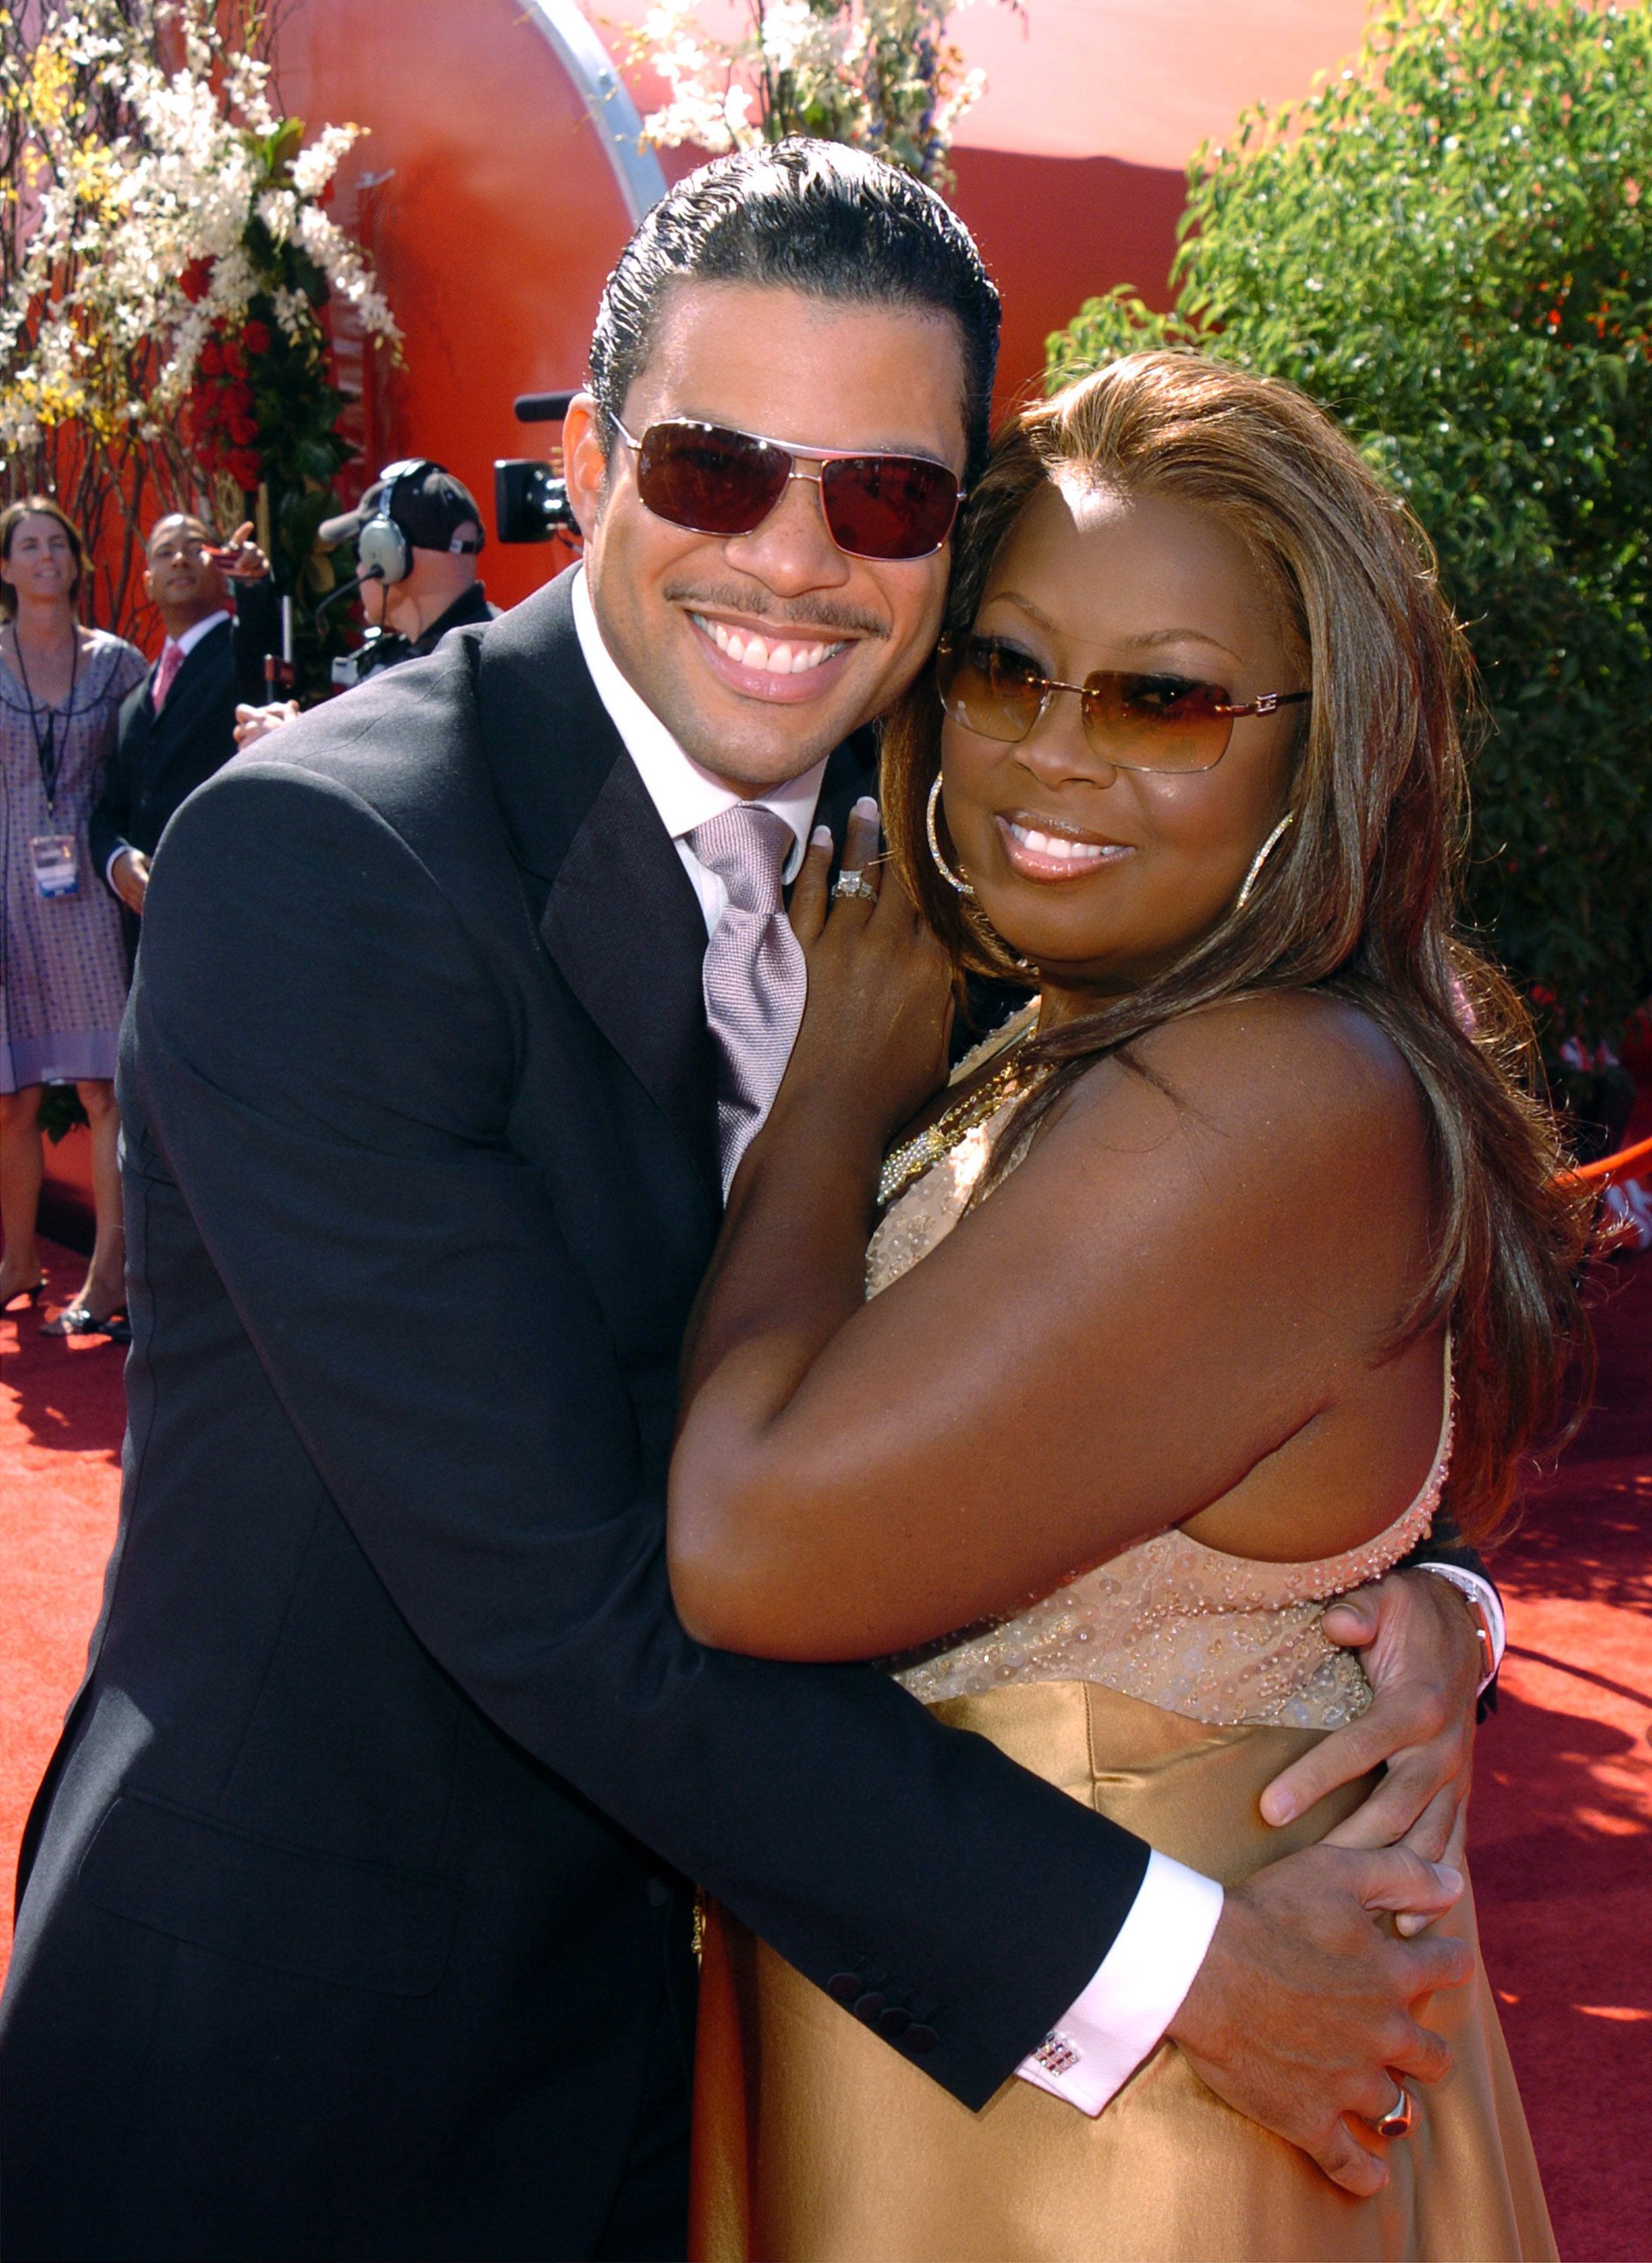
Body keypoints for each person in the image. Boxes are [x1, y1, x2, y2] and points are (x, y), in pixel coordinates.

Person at [0, 147, 1491, 2262]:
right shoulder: (338, 867)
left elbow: (1174, 1325)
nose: (791, 560)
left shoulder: (987, 851)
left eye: (880, 497)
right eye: (712, 468)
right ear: (590, 463)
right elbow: (575, 1607)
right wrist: (1177, 1964)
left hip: (745, 2092)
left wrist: (1402, 1604)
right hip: (318, 2092)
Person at [668, 352, 1585, 2260]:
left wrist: (828, 1097)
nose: (1050, 752)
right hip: (1000, 2067)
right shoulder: (1097, 1041)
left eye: (1162, 698)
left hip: (1117, 2150)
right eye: (1004, 669)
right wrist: (1447, 1606)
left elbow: (743, 1550)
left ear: (1321, 744)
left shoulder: (1261, 1093)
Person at [0, 497, 146, 1338]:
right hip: (9, 894)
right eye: (28, 544)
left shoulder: (117, 664)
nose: (45, 556)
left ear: (76, 560)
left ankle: (108, 1273)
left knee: (102, 1090)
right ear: (6, 566)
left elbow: (141, 771)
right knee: (12, 1099)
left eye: (57, 542)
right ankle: (18, 1261)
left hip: (92, 894)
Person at [90, 514, 276, 963]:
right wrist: (116, 861)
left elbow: (259, 642)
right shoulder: (133, 699)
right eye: (165, 552)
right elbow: (111, 808)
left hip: (229, 917)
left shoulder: (239, 655)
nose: (179, 560)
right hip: (156, 938)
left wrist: (253, 585)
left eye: (195, 548)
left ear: (221, 568)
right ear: (148, 583)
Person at [231, 459, 496, 748]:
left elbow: (413, 765)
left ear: (384, 556)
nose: (358, 569)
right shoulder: (486, 650)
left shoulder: (467, 669)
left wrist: (293, 742)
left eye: (359, 550)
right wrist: (299, 729)